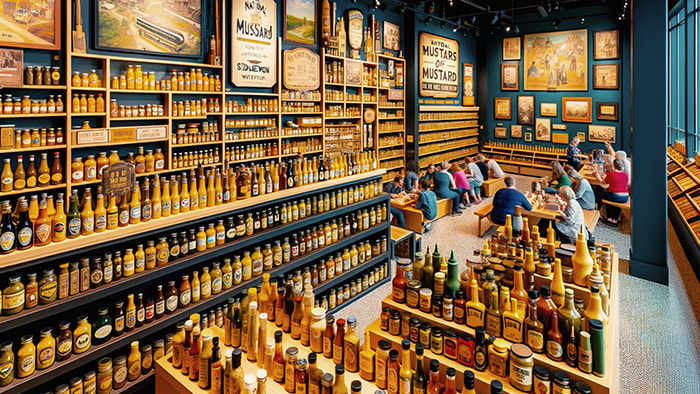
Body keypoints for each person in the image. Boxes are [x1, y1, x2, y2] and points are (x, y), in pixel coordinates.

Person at [593, 158, 629, 224]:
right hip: (625, 197)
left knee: (598, 195)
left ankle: (598, 213)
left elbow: (603, 183)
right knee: (610, 196)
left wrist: (597, 176)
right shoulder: (625, 175)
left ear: (613, 166)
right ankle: (615, 218)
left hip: (614, 196)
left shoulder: (611, 173)